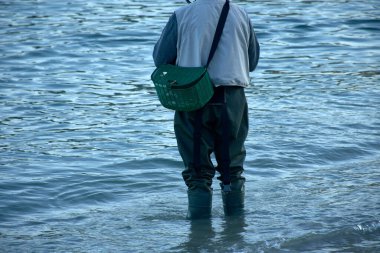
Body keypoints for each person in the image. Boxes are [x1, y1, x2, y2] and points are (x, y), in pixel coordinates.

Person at [153, 0, 259, 219]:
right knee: (232, 169)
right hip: (233, 98)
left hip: (193, 97)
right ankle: (236, 234)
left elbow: (161, 60)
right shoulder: (242, 14)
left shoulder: (181, 15)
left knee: (197, 172)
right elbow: (253, 61)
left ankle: (199, 239)